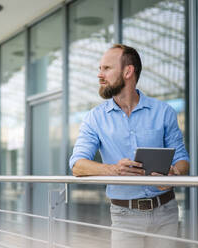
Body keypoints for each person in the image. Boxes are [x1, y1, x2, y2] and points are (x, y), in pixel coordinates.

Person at [69, 44, 190, 248]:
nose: (100, 75)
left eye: (106, 68)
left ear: (128, 71)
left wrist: (173, 175)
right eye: (100, 69)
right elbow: (77, 165)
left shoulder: (164, 112)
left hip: (166, 211)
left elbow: (182, 159)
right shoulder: (94, 119)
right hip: (124, 216)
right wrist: (113, 170)